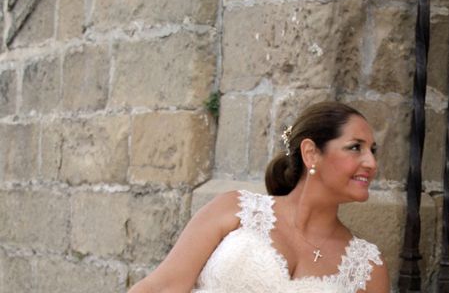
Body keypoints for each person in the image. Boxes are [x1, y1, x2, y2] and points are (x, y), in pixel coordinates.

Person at [129, 101, 390, 293]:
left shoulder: (368, 269)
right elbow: (161, 287)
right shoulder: (235, 210)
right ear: (311, 153)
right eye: (355, 147)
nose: (371, 162)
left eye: (373, 151)